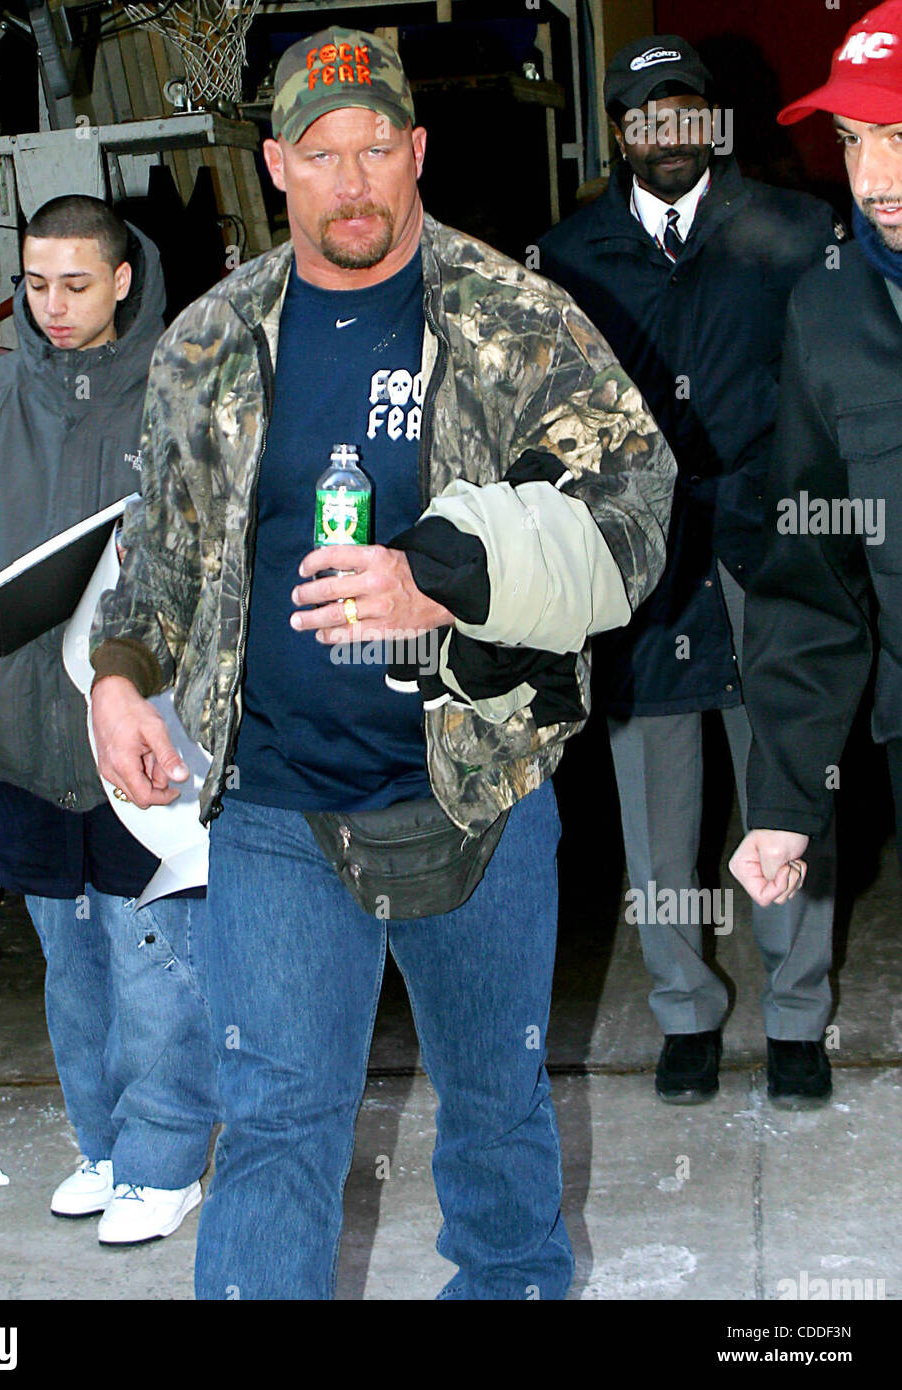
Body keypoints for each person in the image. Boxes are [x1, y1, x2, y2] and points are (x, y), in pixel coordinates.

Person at [88, 26, 676, 1300]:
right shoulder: (207, 343)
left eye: (375, 151)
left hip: (473, 793)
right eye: (321, 154)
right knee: (277, 1127)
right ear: (275, 166)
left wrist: (445, 572)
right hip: (274, 808)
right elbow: (162, 553)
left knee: (495, 1111)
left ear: (416, 153)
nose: (352, 183)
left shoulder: (513, 320)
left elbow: (636, 514)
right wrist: (121, 674)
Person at [0, 195, 216, 1245]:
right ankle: (105, 1144)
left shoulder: (185, 394)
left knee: (155, 958)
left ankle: (165, 1162)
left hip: (148, 749)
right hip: (20, 747)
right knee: (72, 965)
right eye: (35, 284)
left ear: (123, 279)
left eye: (77, 284)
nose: (53, 306)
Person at [537, 36, 844, 1109]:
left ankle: (797, 1012)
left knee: (789, 786)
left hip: (770, 557)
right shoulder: (568, 254)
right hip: (643, 573)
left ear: (715, 123)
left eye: (685, 114)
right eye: (642, 116)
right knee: (654, 811)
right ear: (618, 130)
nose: (665, 136)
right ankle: (682, 1010)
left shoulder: (797, 233)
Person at [730, 3, 902, 914]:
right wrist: (787, 802)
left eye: (899, 135)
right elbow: (812, 578)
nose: (873, 178)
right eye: (851, 139)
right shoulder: (828, 313)